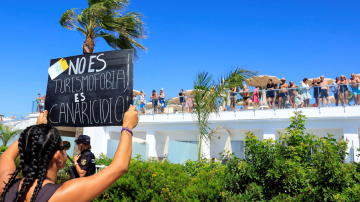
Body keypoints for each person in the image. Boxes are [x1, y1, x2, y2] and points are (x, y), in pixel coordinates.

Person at [0, 107, 139, 202]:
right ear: (57, 156)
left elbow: (6, 156)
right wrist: (128, 126)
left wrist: (38, 131)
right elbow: (119, 166)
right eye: (64, 147)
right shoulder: (62, 195)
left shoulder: (6, 183)